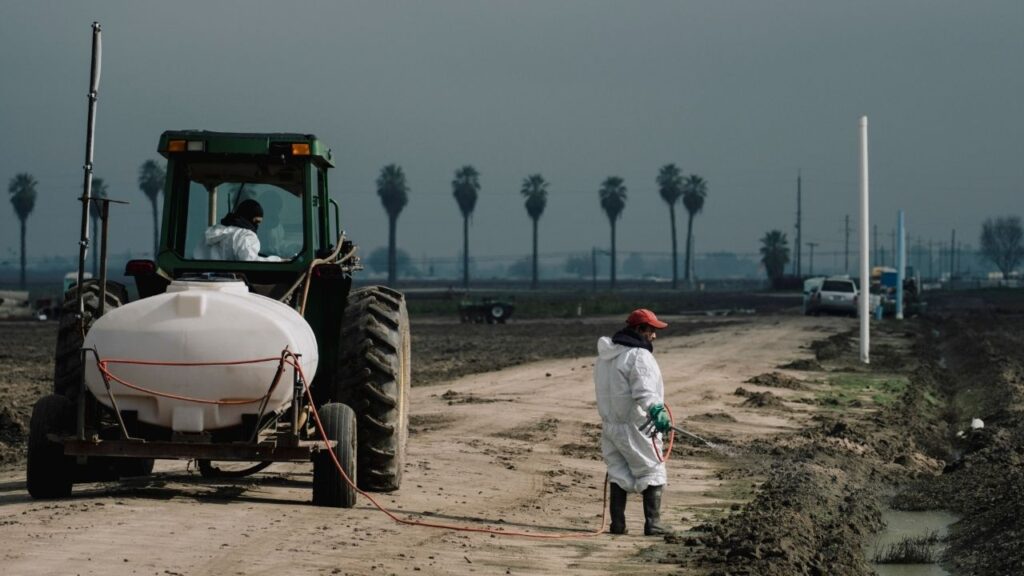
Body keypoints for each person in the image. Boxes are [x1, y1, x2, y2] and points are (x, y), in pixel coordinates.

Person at [594, 308, 673, 536]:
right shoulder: (639, 356)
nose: (654, 336)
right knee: (652, 469)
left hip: (610, 426)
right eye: (651, 331)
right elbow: (645, 391)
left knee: (618, 470)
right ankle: (654, 524)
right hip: (636, 425)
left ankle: (617, 525)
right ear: (639, 330)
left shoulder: (605, 357)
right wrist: (657, 410)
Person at [202, 199, 282, 262]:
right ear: (248, 217)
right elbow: (251, 263)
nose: (257, 226)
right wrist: (279, 261)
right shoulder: (246, 236)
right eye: (256, 222)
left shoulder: (211, 232)